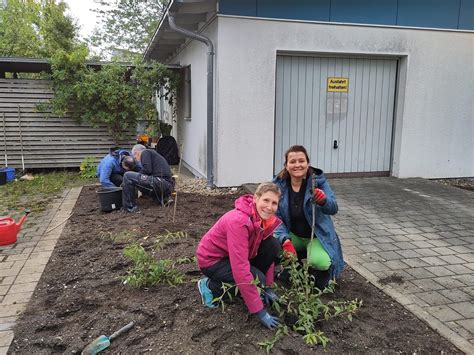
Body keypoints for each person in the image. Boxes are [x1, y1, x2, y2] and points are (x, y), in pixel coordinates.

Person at [196, 182, 282, 330]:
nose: (269, 207)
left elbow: (269, 255)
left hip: (231, 255)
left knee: (272, 245)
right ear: (255, 198)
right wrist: (259, 311)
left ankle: (247, 289)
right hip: (212, 260)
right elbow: (240, 268)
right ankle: (209, 287)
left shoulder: (262, 218)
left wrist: (268, 287)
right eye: (266, 200)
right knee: (256, 279)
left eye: (274, 203)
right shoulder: (239, 222)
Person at [273, 145, 344, 290]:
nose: (297, 165)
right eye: (292, 161)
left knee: (320, 261)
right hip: (294, 235)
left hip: (316, 236)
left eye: (301, 161)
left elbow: (333, 208)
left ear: (308, 163)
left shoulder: (318, 182)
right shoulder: (279, 186)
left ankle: (319, 274)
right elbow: (276, 217)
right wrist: (285, 240)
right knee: (273, 247)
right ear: (286, 166)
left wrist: (323, 200)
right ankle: (295, 269)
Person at [122, 144, 174, 212]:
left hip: (161, 183)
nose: (136, 160)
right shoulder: (152, 155)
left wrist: (135, 176)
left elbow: (147, 170)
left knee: (127, 176)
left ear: (136, 152)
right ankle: (163, 198)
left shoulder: (145, 152)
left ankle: (130, 207)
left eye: (134, 157)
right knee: (135, 178)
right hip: (165, 185)